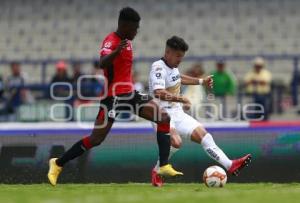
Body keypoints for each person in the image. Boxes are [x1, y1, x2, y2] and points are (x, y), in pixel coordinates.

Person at [47, 7, 181, 186]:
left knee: (163, 117)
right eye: (134, 28)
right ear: (124, 26)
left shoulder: (127, 41)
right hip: (113, 97)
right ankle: (57, 163)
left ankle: (163, 165)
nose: (136, 32)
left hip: (130, 94)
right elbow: (102, 63)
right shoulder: (111, 41)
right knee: (96, 139)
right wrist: (117, 51)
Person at [149, 36, 252, 187]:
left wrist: (201, 81)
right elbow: (158, 92)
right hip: (161, 115)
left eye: (182, 57)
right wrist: (181, 98)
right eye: (178, 56)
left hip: (177, 114)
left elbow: (178, 78)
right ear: (168, 52)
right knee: (176, 142)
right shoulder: (157, 67)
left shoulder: (172, 67)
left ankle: (231, 165)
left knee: (204, 136)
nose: (180, 60)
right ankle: (157, 171)